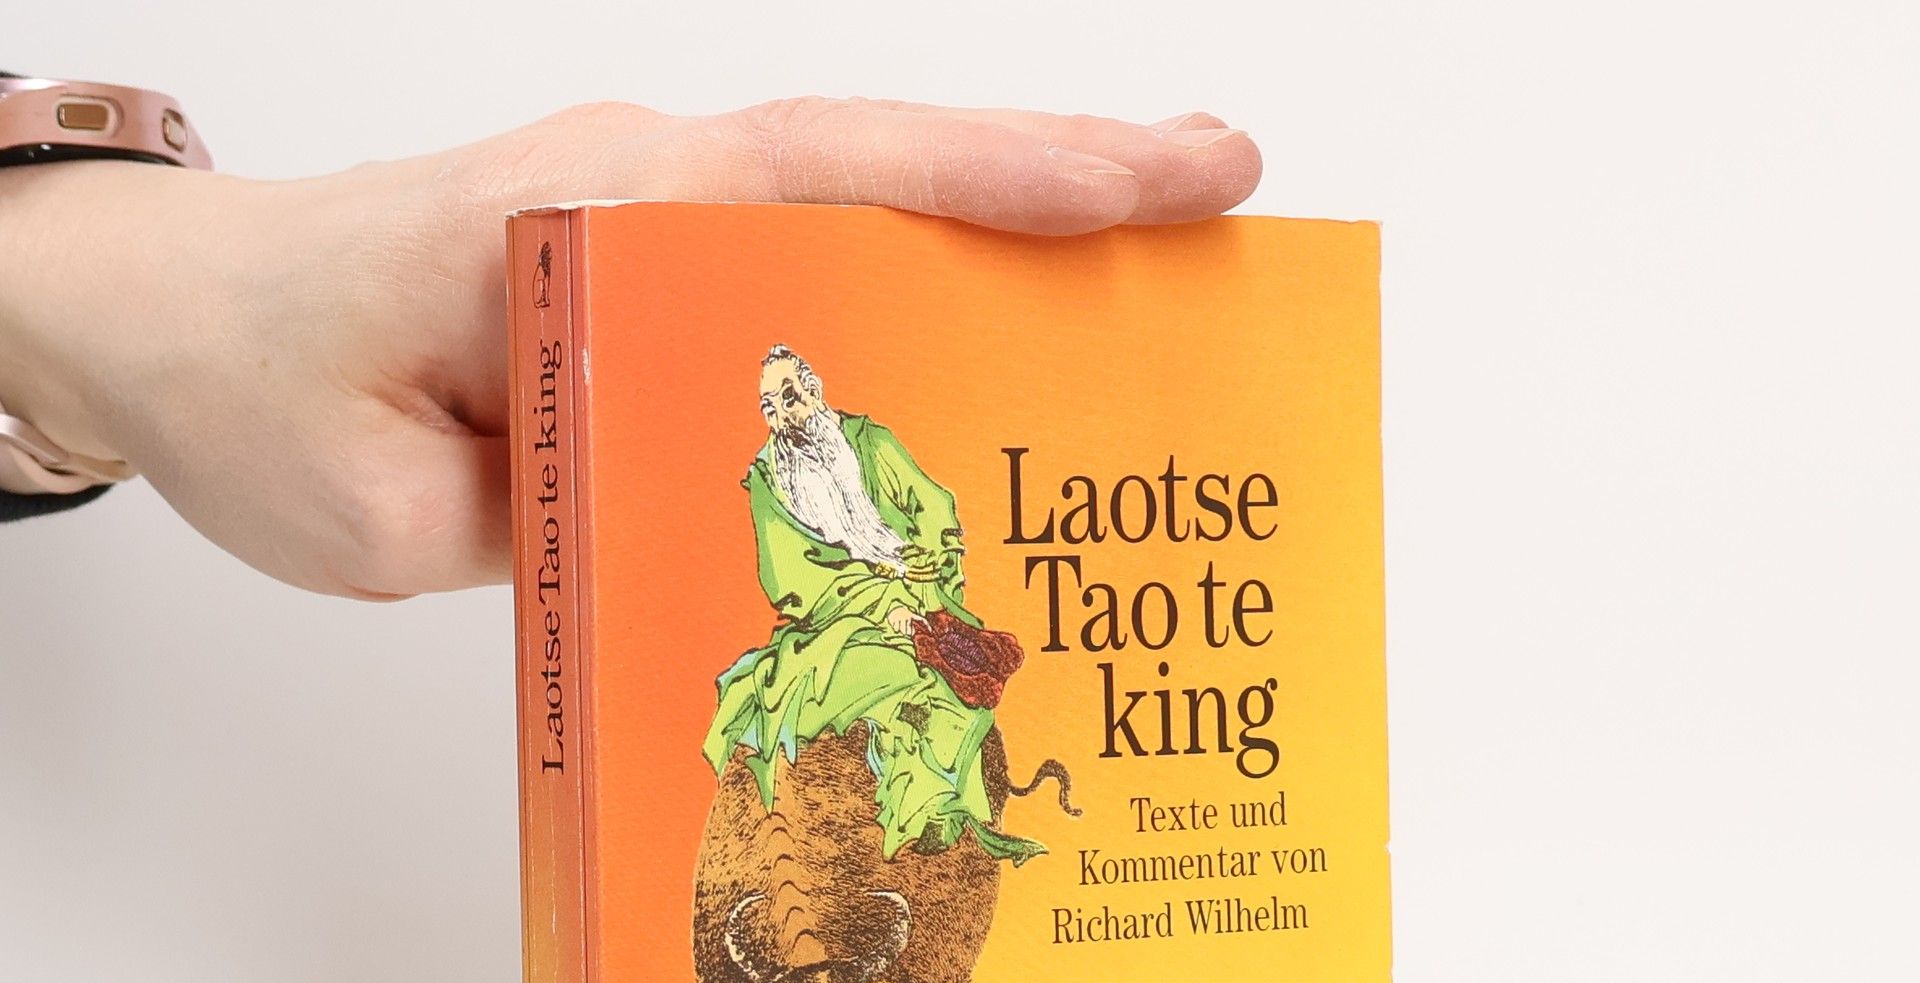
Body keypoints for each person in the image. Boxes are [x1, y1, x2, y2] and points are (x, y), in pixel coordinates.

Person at [0, 98, 1259, 593]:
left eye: (795, 387)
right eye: (776, 389)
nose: (787, 405)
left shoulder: (874, 445)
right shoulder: (759, 472)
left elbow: (928, 520)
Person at [706, 344, 1043, 863]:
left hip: (919, 594)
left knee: (968, 677)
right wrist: (883, 604)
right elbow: (790, 579)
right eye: (769, 408)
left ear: (814, 389)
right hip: (838, 620)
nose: (783, 416)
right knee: (902, 677)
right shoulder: (769, 481)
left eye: (789, 397)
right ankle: (920, 806)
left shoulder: (870, 442)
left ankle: (944, 804)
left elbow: (933, 506)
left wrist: (929, 566)